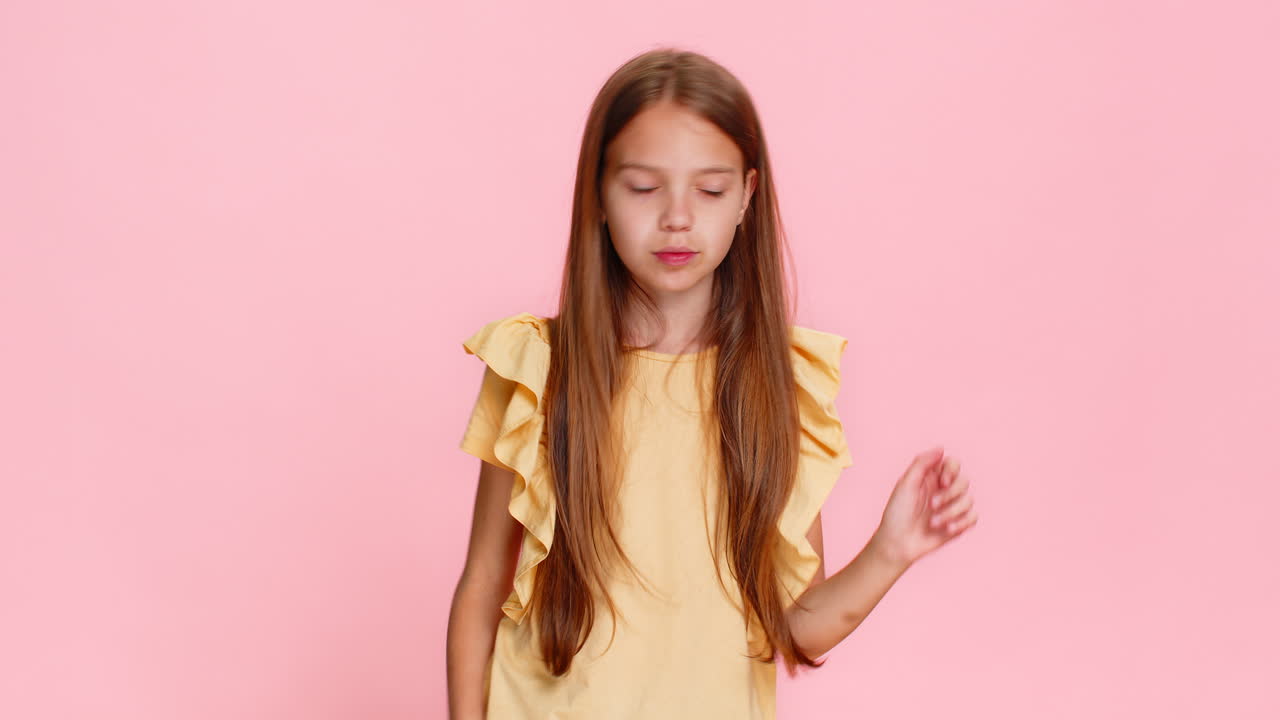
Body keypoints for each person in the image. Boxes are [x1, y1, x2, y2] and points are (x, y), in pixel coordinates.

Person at [445, 47, 979, 720]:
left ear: (747, 197)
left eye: (710, 190)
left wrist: (891, 550)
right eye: (643, 188)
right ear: (599, 196)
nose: (676, 217)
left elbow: (796, 626)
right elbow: (482, 584)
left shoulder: (781, 390)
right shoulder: (537, 369)